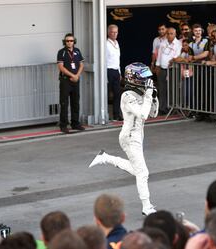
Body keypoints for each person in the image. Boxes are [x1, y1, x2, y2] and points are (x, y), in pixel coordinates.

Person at [89, 62, 159, 216]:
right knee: (142, 173)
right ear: (133, 79)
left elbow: (153, 114)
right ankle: (146, 207)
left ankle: (105, 157)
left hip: (139, 136)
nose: (146, 82)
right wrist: (148, 95)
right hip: (129, 137)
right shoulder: (127, 96)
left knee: (137, 170)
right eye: (143, 78)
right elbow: (142, 114)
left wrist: (154, 98)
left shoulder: (142, 93)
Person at [57, 33, 85, 133]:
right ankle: (63, 125)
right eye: (67, 41)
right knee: (64, 103)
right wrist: (72, 76)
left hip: (76, 80)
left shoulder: (77, 51)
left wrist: (77, 75)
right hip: (65, 80)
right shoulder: (61, 52)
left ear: (74, 41)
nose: (69, 42)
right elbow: (61, 67)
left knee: (75, 102)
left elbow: (81, 64)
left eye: (71, 40)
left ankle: (75, 123)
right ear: (64, 42)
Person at [156, 27, 182, 114]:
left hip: (173, 69)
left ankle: (172, 107)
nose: (169, 35)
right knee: (162, 89)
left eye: (171, 34)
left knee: (172, 89)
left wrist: (173, 60)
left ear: (175, 34)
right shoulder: (163, 43)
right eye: (168, 33)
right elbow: (159, 55)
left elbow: (177, 55)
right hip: (162, 69)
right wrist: (157, 66)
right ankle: (162, 108)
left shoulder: (178, 44)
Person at [107, 24, 122, 121]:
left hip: (116, 71)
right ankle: (104, 115)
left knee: (118, 94)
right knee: (106, 94)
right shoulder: (105, 44)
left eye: (116, 32)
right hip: (108, 71)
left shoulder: (116, 43)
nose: (114, 34)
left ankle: (117, 115)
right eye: (112, 32)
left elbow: (118, 59)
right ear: (108, 33)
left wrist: (119, 72)